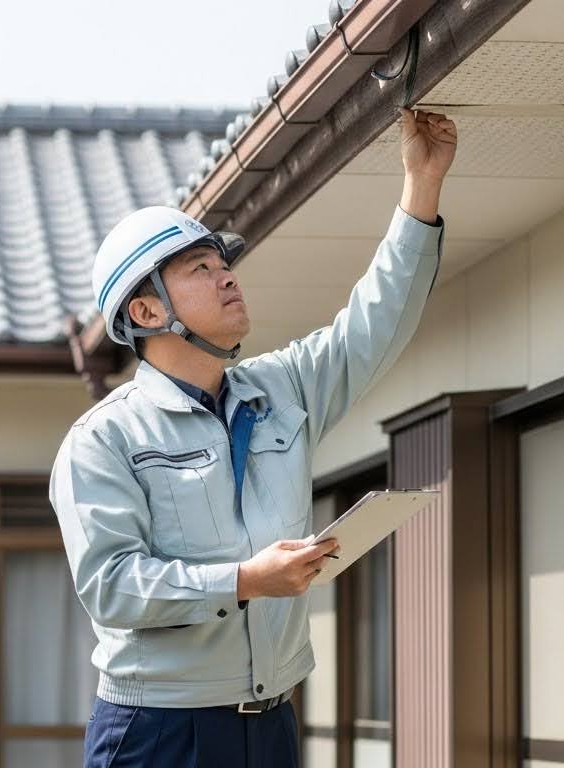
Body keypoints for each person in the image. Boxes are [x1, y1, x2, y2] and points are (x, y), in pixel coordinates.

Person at [50, 107, 456, 767]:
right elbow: (112, 586)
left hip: (270, 725)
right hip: (156, 733)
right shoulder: (104, 439)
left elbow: (374, 322)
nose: (228, 276)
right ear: (147, 311)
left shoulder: (282, 389)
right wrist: (243, 580)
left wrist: (422, 185)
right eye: (199, 270)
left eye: (223, 263)